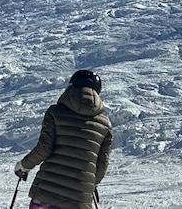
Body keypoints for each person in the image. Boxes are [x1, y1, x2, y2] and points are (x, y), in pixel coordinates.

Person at [13, 69, 112, 209]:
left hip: (47, 193)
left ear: (71, 87)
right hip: (79, 200)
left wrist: (23, 166)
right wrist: (90, 184)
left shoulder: (55, 112)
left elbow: (44, 148)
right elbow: (101, 165)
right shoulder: (105, 125)